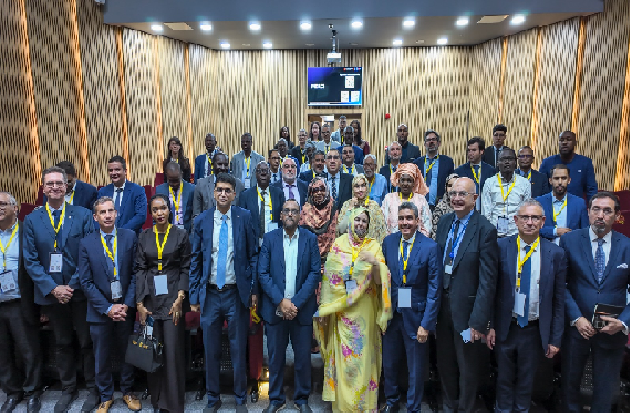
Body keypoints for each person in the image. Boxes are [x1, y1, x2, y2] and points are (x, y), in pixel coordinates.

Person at [23, 166, 97, 412]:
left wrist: (71, 286)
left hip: (79, 292)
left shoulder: (83, 215)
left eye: (59, 183)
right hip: (52, 295)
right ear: (43, 188)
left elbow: (88, 254)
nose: (55, 187)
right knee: (62, 342)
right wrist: (54, 289)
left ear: (67, 186)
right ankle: (68, 388)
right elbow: (30, 261)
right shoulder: (32, 220)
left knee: (86, 342)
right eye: (50, 183)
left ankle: (93, 388)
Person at [486, 200, 566, 413]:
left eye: (535, 218)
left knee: (526, 380)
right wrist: (490, 325)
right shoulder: (501, 247)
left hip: (534, 329)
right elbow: (491, 290)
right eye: (525, 217)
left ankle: (522, 410)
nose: (530, 222)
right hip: (505, 326)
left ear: (543, 221)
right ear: (516, 220)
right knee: (503, 378)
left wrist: (555, 338)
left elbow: (559, 300)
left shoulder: (555, 253)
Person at [189, 173, 258, 413]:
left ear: (234, 194)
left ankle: (240, 398)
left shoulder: (244, 217)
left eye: (228, 190)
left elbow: (253, 255)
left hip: (235, 294)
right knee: (211, 349)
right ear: (213, 192)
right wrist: (194, 295)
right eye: (219, 189)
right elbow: (196, 259)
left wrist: (253, 289)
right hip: (210, 295)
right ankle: (213, 398)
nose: (223, 194)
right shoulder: (202, 220)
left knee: (238, 349)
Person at [314, 208, 392, 412]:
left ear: (368, 225)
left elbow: (379, 280)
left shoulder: (374, 246)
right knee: (344, 361)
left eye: (364, 221)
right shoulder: (338, 244)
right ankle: (344, 407)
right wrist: (326, 307)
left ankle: (364, 406)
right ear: (350, 221)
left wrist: (375, 263)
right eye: (357, 219)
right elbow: (329, 278)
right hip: (342, 311)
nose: (360, 223)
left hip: (365, 311)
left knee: (363, 360)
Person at [560, 192, 630, 413]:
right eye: (596, 209)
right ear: (588, 212)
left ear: (617, 216)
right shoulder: (569, 241)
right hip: (576, 329)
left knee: (605, 389)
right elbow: (560, 284)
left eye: (607, 211)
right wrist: (576, 318)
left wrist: (623, 323)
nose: (600, 215)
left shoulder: (627, 245)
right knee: (569, 385)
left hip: (612, 331)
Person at [434, 177, 499, 413]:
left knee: (467, 366)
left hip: (468, 313)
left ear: (475, 198)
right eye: (453, 193)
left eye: (463, 194)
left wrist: (478, 322)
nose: (457, 198)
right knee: (445, 362)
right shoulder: (444, 222)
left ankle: (465, 408)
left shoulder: (485, 229)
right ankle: (448, 405)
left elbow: (488, 280)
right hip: (442, 308)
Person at [258, 200, 321, 413]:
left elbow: (314, 273)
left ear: (300, 215)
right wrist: (281, 301)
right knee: (276, 357)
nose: (291, 214)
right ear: (280, 215)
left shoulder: (310, 239)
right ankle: (275, 398)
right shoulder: (270, 239)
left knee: (302, 357)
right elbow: (263, 273)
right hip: (275, 309)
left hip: (301, 310)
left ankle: (301, 398)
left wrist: (295, 303)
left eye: (295, 211)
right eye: (287, 211)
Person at [78, 197, 141, 412]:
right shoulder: (86, 243)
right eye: (102, 212)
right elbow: (85, 281)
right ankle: (105, 395)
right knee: (101, 356)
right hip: (99, 311)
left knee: (127, 353)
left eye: (110, 211)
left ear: (116, 213)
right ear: (95, 217)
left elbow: (136, 274)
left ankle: (128, 391)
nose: (107, 215)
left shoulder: (129, 236)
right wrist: (107, 308)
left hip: (124, 308)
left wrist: (126, 304)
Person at [381, 202, 441, 413]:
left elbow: (434, 288)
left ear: (417, 220)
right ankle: (391, 401)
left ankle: (413, 407)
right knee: (389, 363)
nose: (405, 222)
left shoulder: (430, 247)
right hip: (391, 315)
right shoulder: (388, 242)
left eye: (409, 218)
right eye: (401, 218)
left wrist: (427, 324)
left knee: (415, 367)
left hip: (417, 317)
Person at [135, 194, 190, 413]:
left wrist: (180, 298)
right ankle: (157, 401)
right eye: (155, 209)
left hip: (173, 297)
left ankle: (173, 403)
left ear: (170, 210)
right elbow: (140, 268)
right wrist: (139, 302)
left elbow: (186, 267)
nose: (160, 213)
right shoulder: (144, 236)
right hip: (150, 298)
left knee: (172, 351)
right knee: (153, 350)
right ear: (151, 213)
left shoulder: (181, 234)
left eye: (163, 208)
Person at [0, 192, 42, 413]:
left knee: (29, 350)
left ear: (15, 208)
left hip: (20, 301)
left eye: (3, 204)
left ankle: (33, 391)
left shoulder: (27, 231)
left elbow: (38, 265)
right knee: (2, 352)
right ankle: (12, 392)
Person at [481, 148, 531, 237]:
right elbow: (486, 212)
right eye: (503, 159)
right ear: (497, 163)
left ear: (515, 162)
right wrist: (489, 233)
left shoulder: (524, 183)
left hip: (517, 233)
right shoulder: (489, 183)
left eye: (510, 159)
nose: (507, 162)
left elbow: (526, 211)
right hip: (494, 233)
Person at [536, 164, 588, 245]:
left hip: (571, 249)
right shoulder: (539, 202)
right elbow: (534, 229)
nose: (560, 182)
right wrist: (555, 232)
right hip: (545, 249)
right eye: (556, 178)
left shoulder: (579, 203)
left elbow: (585, 232)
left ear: (569, 180)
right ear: (550, 181)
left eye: (564, 178)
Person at [539, 131, 598, 200]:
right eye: (561, 140)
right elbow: (540, 187)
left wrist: (592, 205)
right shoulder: (547, 162)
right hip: (551, 203)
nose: (564, 142)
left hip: (576, 204)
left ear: (575, 143)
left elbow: (591, 189)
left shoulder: (585, 162)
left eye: (568, 139)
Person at [97, 156, 147, 234]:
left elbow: (140, 216)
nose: (113, 173)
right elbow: (98, 214)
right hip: (107, 236)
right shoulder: (103, 191)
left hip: (130, 236)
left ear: (125, 171)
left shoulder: (138, 190)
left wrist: (120, 233)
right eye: (111, 170)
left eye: (117, 170)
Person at [381, 163, 432, 237]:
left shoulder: (421, 200)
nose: (405, 184)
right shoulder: (389, 199)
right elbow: (383, 226)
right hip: (393, 241)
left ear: (414, 183)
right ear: (399, 182)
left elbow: (427, 227)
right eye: (403, 180)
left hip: (416, 242)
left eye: (409, 180)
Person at [299, 178, 340, 269]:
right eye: (315, 190)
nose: (319, 193)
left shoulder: (333, 208)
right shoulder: (305, 211)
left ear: (327, 190)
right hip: (309, 260)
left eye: (322, 189)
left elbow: (336, 236)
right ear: (311, 192)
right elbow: (302, 238)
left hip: (330, 260)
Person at [238, 161, 284, 241]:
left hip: (274, 241)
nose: (263, 173)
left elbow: (282, 219)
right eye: (260, 171)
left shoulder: (278, 193)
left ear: (270, 174)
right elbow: (242, 222)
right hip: (253, 242)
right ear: (256, 174)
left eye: (266, 171)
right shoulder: (245, 195)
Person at [193, 152, 245, 219]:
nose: (223, 168)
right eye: (219, 164)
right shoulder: (201, 185)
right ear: (213, 165)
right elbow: (196, 215)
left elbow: (242, 214)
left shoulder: (238, 185)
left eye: (226, 165)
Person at [337, 174, 387, 244]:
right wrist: (350, 209)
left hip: (370, 247)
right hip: (350, 247)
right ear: (352, 188)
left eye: (363, 186)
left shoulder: (374, 206)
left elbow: (381, 233)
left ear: (367, 187)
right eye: (357, 186)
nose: (360, 190)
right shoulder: (347, 204)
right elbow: (341, 230)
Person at [413, 130, 455, 210]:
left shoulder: (447, 162)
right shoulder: (417, 163)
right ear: (425, 144)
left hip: (441, 206)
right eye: (428, 140)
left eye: (433, 139)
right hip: (420, 206)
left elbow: (452, 184)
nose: (431, 142)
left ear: (439, 143)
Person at [455, 137, 496, 212]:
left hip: (486, 210)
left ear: (481, 151)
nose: (470, 153)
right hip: (467, 211)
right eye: (468, 150)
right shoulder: (460, 171)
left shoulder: (491, 171)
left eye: (474, 150)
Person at [155, 162, 195, 232]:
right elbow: (156, 215)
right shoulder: (160, 190)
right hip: (167, 231)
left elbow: (195, 215)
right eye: (171, 181)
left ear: (181, 174)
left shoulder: (192, 189)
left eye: (176, 180)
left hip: (186, 231)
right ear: (167, 176)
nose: (174, 184)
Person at [431, 173, 460, 240]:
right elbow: (435, 232)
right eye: (450, 186)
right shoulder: (440, 207)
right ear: (445, 187)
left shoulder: (464, 206)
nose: (452, 188)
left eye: (456, 185)